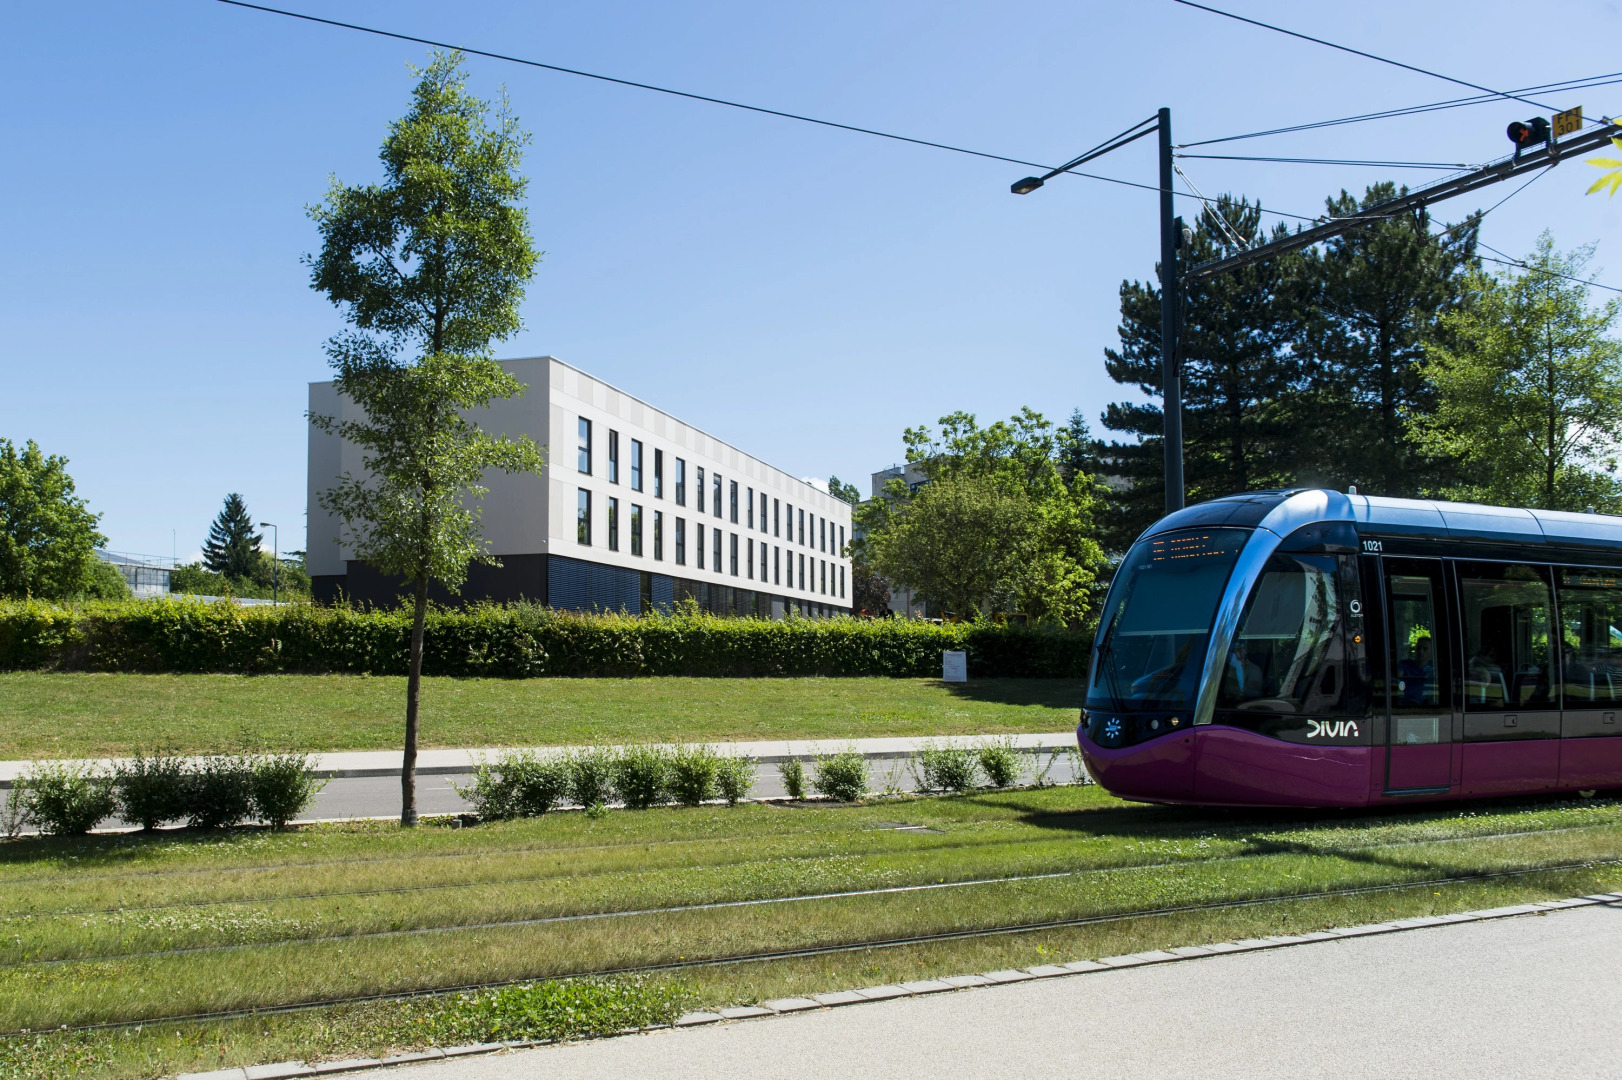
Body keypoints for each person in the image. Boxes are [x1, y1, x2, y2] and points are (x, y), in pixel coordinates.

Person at [1399, 633, 1435, 704]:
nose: (1421, 651)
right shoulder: (1405, 665)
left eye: (1425, 649)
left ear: (1431, 652)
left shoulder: (1434, 667)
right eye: (1418, 648)